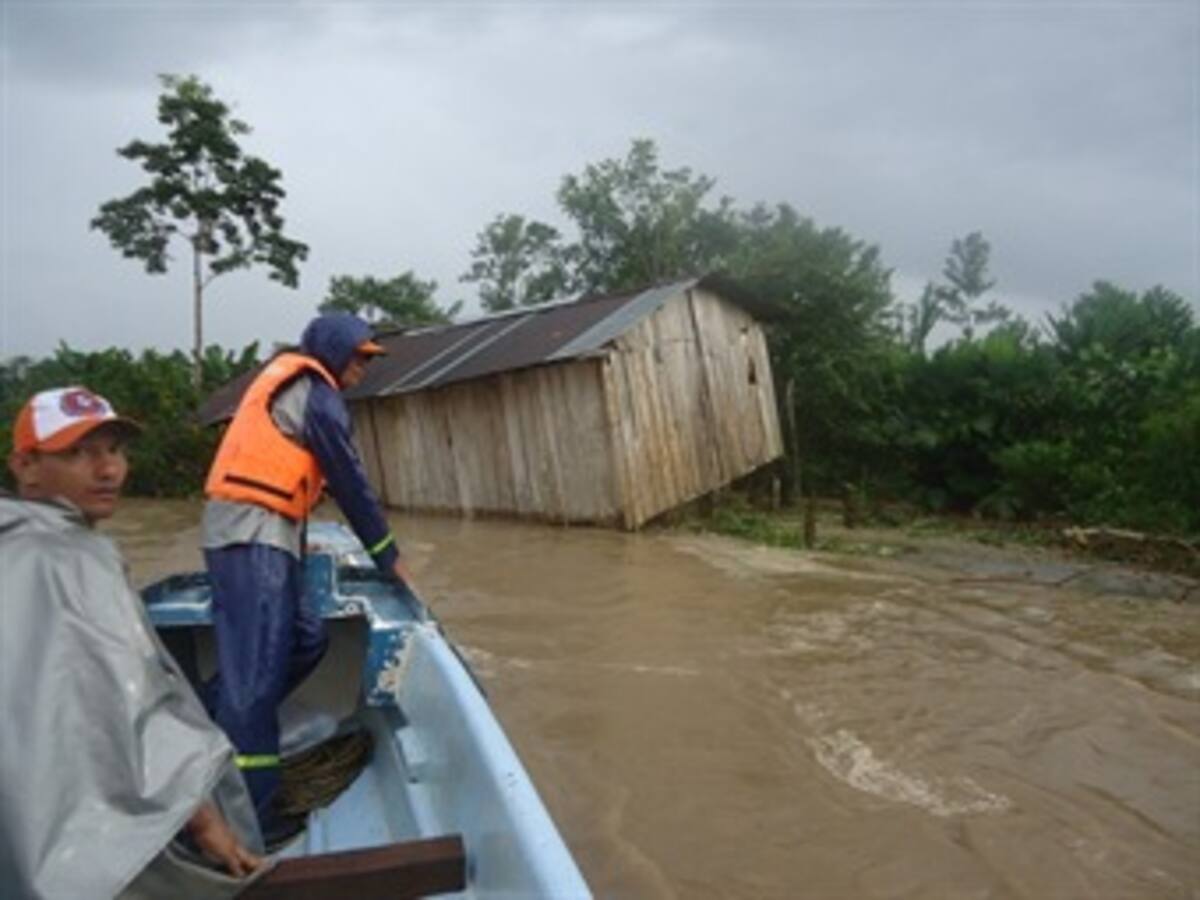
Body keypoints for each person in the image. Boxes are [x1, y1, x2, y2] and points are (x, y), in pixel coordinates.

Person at [0, 386, 265, 899]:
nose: (108, 470)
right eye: (79, 453)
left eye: (115, 450)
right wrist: (204, 821)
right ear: (25, 466)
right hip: (82, 856)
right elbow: (130, 706)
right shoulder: (79, 562)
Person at [202, 312, 410, 839]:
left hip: (274, 535)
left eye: (369, 358)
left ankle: (202, 721)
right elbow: (349, 479)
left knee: (307, 639)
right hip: (250, 536)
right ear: (335, 351)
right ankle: (255, 818)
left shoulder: (305, 390)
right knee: (255, 685)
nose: (365, 367)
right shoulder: (317, 394)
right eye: (360, 356)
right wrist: (388, 555)